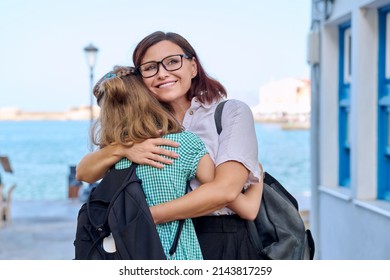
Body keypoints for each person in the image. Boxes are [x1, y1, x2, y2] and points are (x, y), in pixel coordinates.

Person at [76, 31, 263, 259]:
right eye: (150, 67)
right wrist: (122, 149)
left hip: (219, 236)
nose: (162, 73)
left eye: (173, 62)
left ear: (193, 67)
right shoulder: (142, 130)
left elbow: (225, 191)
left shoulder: (230, 112)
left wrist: (143, 217)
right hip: (150, 239)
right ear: (139, 78)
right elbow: (84, 172)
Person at [91, 65, 213, 259]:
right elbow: (217, 190)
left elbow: (84, 174)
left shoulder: (109, 155)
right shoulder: (183, 143)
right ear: (149, 100)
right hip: (176, 254)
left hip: (125, 253)